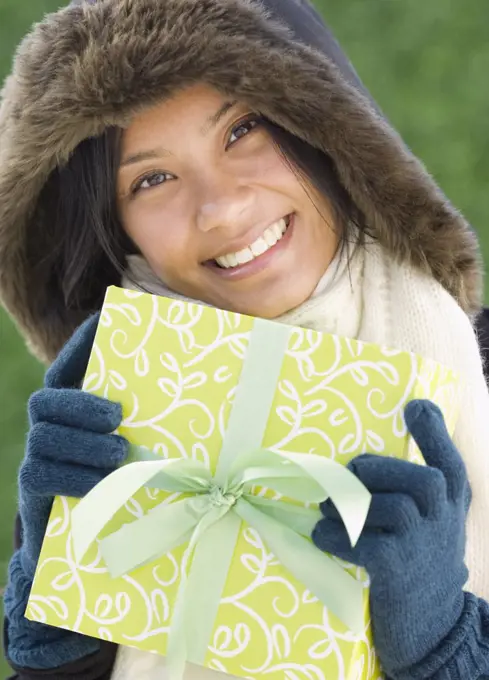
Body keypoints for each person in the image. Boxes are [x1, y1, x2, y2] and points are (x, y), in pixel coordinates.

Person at [1, 0, 488, 678]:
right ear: (119, 230)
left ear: (328, 132)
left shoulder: (472, 371)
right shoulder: (105, 415)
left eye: (241, 130)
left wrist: (445, 645)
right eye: (151, 179)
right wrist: (49, 596)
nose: (221, 207)